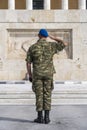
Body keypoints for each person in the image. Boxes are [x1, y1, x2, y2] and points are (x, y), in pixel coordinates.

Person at [26, 29, 68, 124]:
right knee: (47, 95)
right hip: (48, 74)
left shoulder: (32, 47)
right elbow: (64, 43)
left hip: (37, 75)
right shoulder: (51, 46)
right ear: (46, 36)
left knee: (39, 95)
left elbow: (28, 63)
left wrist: (30, 75)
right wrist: (53, 37)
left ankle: (40, 118)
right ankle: (47, 118)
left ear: (39, 35)